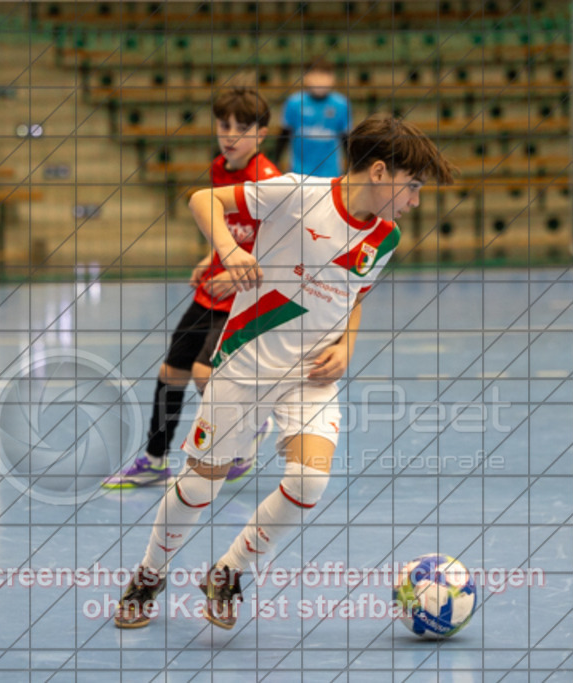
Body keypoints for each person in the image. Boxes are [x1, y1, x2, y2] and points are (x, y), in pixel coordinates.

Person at [114, 113, 457, 629]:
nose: (414, 201)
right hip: (246, 363)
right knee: (202, 484)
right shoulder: (298, 192)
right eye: (412, 188)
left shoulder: (385, 238)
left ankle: (227, 572)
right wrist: (229, 250)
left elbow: (353, 295)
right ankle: (149, 574)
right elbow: (200, 198)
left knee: (309, 483)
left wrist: (347, 345)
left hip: (311, 375)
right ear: (380, 172)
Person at [102, 86, 281, 489]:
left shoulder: (269, 181)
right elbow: (222, 220)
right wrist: (210, 255)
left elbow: (278, 250)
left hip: (244, 299)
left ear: (262, 134)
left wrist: (233, 273)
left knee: (205, 372)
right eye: (224, 126)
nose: (230, 135)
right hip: (212, 291)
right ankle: (154, 460)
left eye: (242, 128)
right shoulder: (222, 165)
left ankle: (251, 424)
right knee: (172, 372)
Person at [275, 57, 351, 177]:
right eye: (315, 75)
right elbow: (283, 136)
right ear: (306, 77)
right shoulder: (294, 103)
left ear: (332, 78)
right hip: (299, 173)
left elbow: (346, 140)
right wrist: (276, 162)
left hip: (331, 174)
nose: (320, 81)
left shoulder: (342, 104)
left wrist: (353, 167)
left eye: (324, 75)